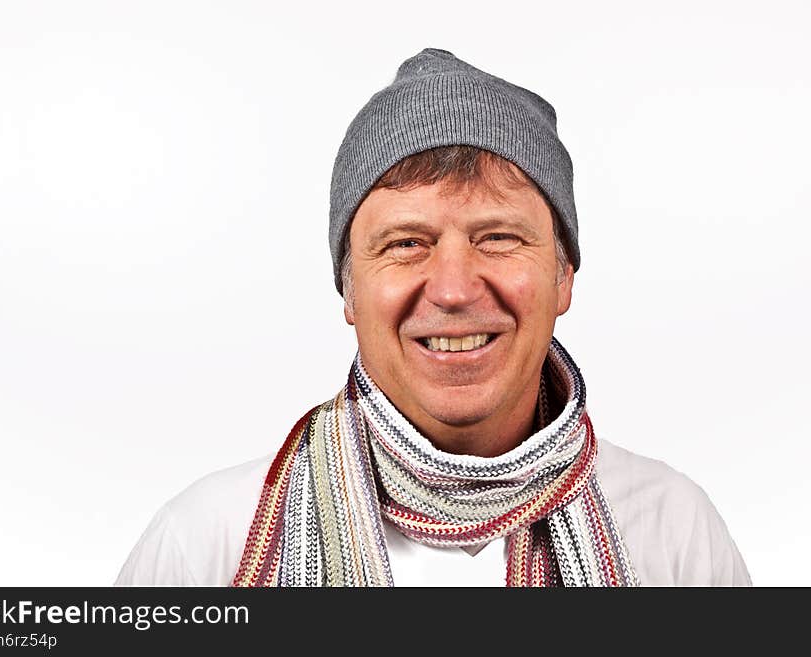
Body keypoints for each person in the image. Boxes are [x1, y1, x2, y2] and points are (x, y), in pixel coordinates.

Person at [116, 48, 750, 587]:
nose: (451, 289)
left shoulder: (673, 535)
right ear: (349, 292)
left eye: (498, 237)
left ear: (563, 277)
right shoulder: (207, 545)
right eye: (405, 244)